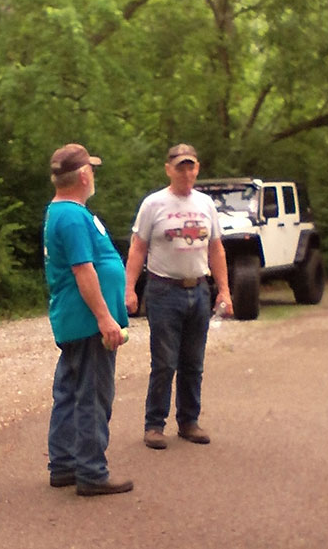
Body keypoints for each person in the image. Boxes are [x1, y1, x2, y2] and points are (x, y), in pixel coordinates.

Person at [125, 143, 233, 450]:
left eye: (191, 167)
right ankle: (154, 425)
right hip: (164, 290)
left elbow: (216, 248)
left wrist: (224, 290)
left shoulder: (205, 204)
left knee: (193, 362)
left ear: (197, 169)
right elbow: (138, 247)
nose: (186, 173)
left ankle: (188, 421)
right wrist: (129, 288)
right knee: (164, 362)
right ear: (168, 169)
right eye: (180, 167)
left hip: (198, 289)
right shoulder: (154, 204)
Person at [43, 143, 133, 496]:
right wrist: (105, 318)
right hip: (87, 322)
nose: (93, 175)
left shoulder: (64, 212)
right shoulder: (71, 216)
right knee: (93, 395)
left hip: (74, 320)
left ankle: (64, 464)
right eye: (91, 170)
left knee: (69, 391)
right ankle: (92, 472)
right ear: (83, 176)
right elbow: (83, 269)